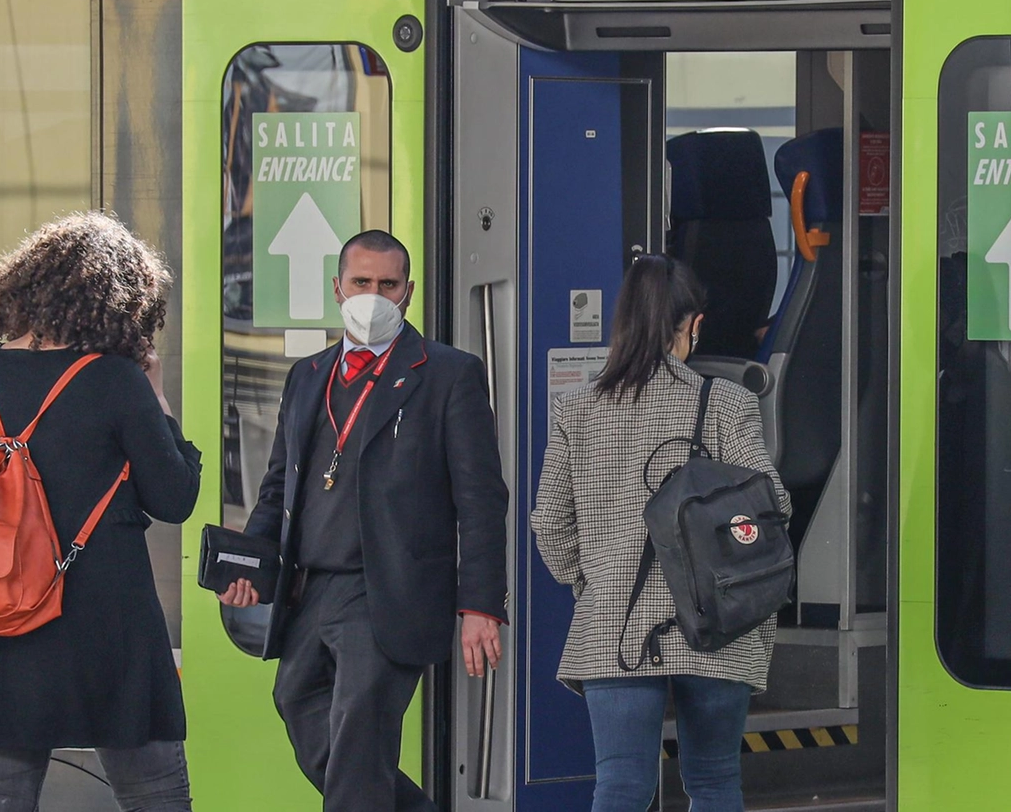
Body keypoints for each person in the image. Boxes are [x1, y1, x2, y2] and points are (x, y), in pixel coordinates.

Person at [219, 230, 507, 812]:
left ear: (408, 293)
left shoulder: (449, 374)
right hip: (310, 590)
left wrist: (480, 606)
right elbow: (279, 485)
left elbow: (481, 499)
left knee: (356, 739)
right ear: (337, 288)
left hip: (389, 592)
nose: (373, 295)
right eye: (361, 283)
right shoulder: (308, 376)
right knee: (301, 709)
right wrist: (251, 557)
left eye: (387, 284)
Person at [0, 212, 200, 810]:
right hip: (106, 625)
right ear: (119, 300)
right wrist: (157, 396)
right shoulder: (114, 382)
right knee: (155, 793)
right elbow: (174, 497)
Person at [531, 256, 790, 812]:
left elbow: (550, 523)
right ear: (693, 324)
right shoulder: (727, 403)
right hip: (719, 624)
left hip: (615, 627)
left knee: (621, 788)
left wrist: (592, 583)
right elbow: (773, 508)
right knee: (715, 783)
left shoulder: (578, 411)